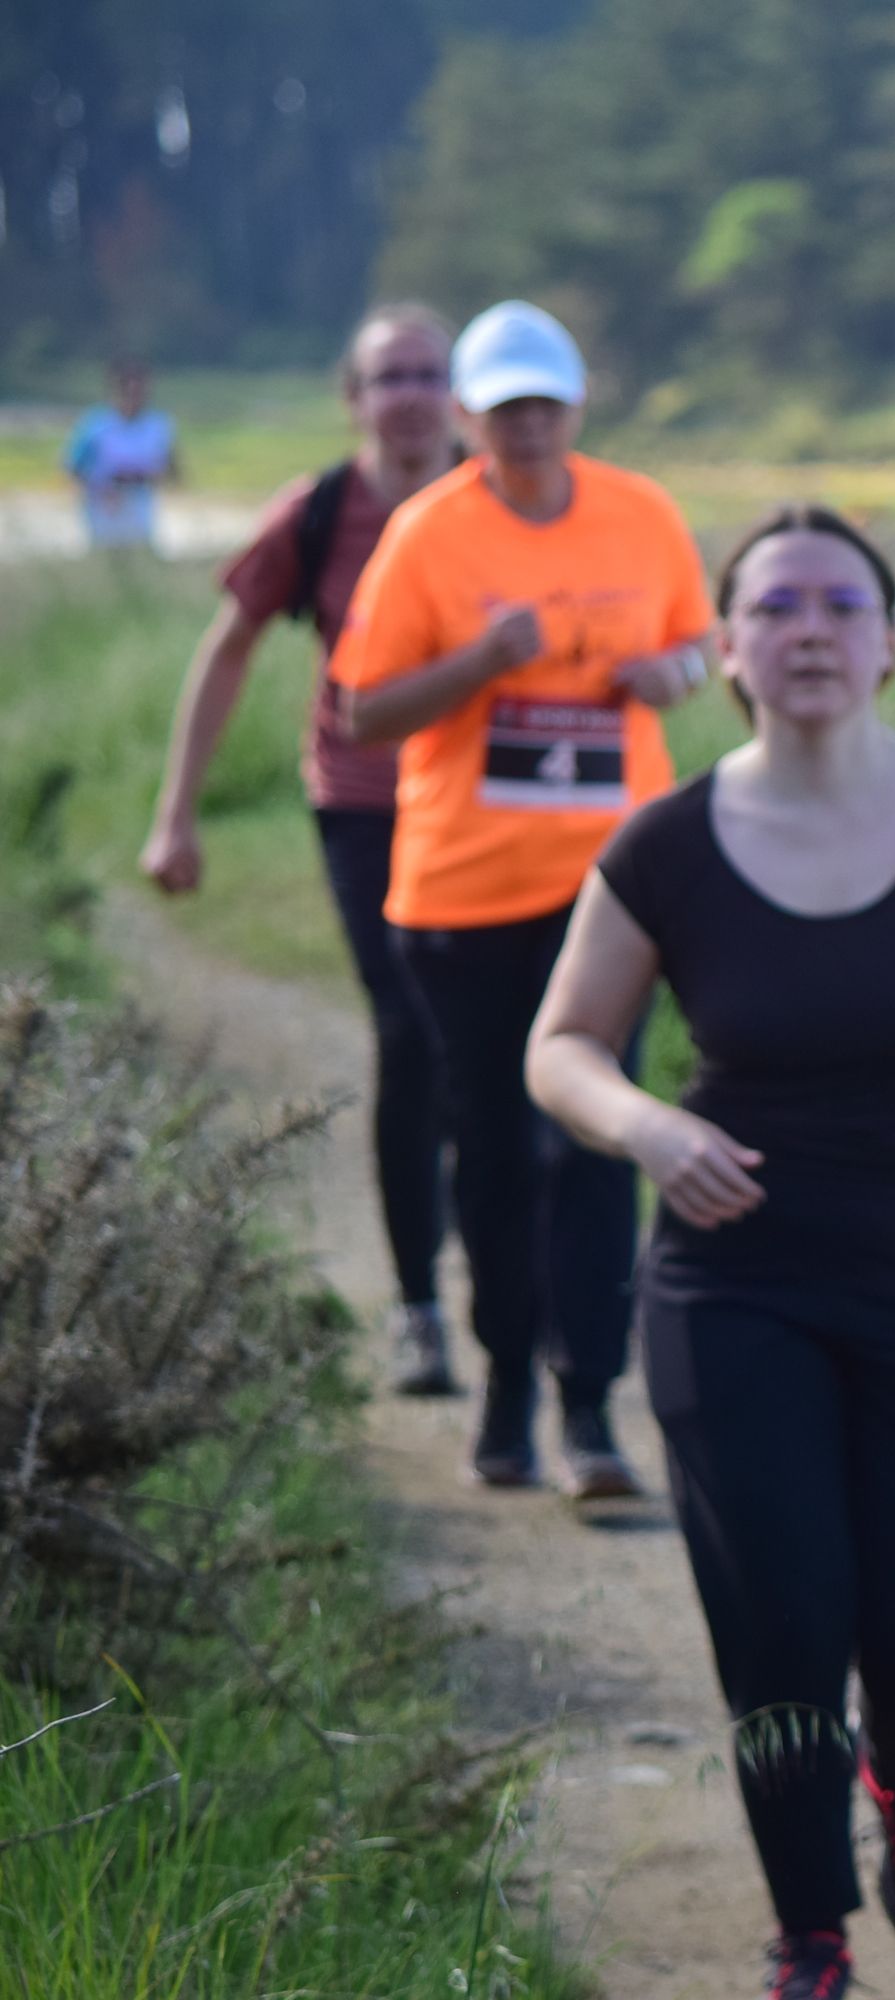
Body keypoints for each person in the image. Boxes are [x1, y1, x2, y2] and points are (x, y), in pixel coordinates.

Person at [527, 506, 895, 2000]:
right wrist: (649, 1130)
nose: (809, 629)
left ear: (891, 643)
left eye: (840, 603)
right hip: (733, 1275)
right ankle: (810, 1932)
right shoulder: (665, 846)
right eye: (774, 607)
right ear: (726, 653)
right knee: (782, 1618)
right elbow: (562, 1045)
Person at [330, 298, 713, 1498]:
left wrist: (673, 671)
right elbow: (363, 709)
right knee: (497, 1145)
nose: (528, 426)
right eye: (504, 410)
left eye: (545, 404)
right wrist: (482, 661)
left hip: (614, 886)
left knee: (599, 1140)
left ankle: (590, 1403)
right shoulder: (428, 533)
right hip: (463, 893)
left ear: (577, 405)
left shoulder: (641, 514)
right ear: (469, 417)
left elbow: (702, 646)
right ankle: (504, 1387)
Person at [141, 303, 467, 1396]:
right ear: (354, 397)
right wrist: (176, 813)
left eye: (429, 373)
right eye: (390, 376)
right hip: (366, 803)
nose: (411, 395)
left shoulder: (496, 497)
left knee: (486, 1045)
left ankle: (486, 1231)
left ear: (457, 392)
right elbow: (228, 647)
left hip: (491, 814)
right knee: (410, 1027)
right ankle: (419, 1308)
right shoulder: (319, 511)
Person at [64, 358, 180, 551]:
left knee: (139, 551)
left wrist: (160, 478)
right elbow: (74, 466)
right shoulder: (96, 423)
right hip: (103, 502)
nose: (132, 398)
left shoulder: (157, 425)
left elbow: (172, 467)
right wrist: (99, 489)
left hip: (141, 499)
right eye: (127, 391)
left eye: (138, 391)